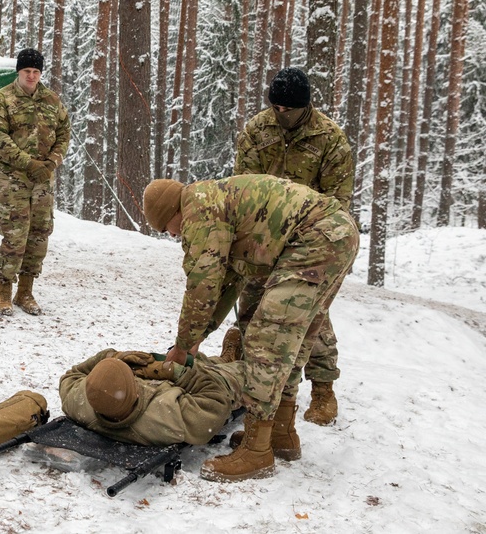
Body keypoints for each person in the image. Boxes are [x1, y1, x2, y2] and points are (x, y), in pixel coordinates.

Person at [142, 174, 359, 482]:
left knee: (266, 340)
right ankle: (281, 435)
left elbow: (203, 285)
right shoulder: (211, 202)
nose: (174, 236)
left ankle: (257, 453)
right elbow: (229, 280)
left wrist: (182, 344)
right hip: (331, 234)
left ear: (170, 214)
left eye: (167, 229)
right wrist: (198, 337)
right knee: (291, 340)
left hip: (315, 239)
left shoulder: (199, 211)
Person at [234, 67, 354, 426]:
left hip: (311, 239)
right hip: (262, 237)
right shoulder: (258, 130)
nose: (279, 114)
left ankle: (322, 388)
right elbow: (245, 185)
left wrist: (306, 240)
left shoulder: (330, 139)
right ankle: (253, 381)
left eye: (287, 109)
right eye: (275, 107)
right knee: (252, 308)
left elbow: (338, 202)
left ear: (304, 107)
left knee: (309, 315)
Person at [0, 48, 70, 316]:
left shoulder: (51, 100)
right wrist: (27, 163)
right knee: (15, 234)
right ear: (18, 72)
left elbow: (64, 133)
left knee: (39, 234)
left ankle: (26, 290)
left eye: (35, 71)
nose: (31, 76)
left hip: (44, 180)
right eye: (27, 71)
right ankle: (3, 290)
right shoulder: (3, 99)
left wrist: (52, 162)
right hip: (13, 179)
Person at [60, 349, 243, 447]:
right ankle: (231, 361)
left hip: (164, 380)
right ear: (136, 392)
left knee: (186, 356)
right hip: (208, 384)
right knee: (244, 372)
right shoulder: (166, 416)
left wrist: (113, 357)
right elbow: (216, 400)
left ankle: (221, 358)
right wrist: (178, 374)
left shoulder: (80, 401)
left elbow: (74, 374)